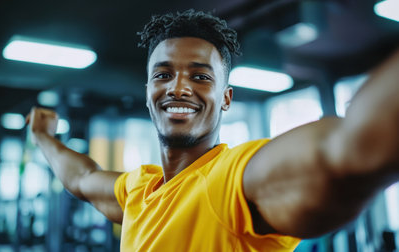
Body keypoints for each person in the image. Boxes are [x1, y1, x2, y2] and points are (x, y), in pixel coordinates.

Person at [26, 9, 399, 251]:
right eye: (163, 75)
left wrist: (361, 134)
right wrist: (43, 137)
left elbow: (341, 154)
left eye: (200, 76)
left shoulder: (230, 182)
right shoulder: (140, 191)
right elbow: (81, 177)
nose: (178, 88)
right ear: (147, 92)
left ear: (226, 98)